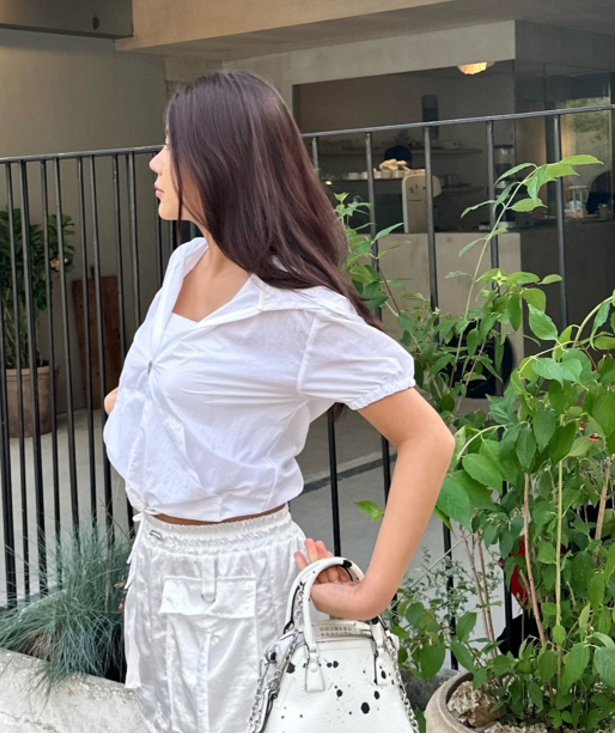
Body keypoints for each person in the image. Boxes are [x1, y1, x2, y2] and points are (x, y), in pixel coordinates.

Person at [102, 70, 455, 733]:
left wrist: (372, 593)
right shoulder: (185, 265)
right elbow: (167, 386)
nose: (155, 162)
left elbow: (427, 438)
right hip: (158, 559)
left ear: (218, 161)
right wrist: (131, 410)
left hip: (235, 581)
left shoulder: (297, 312)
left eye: (171, 146)